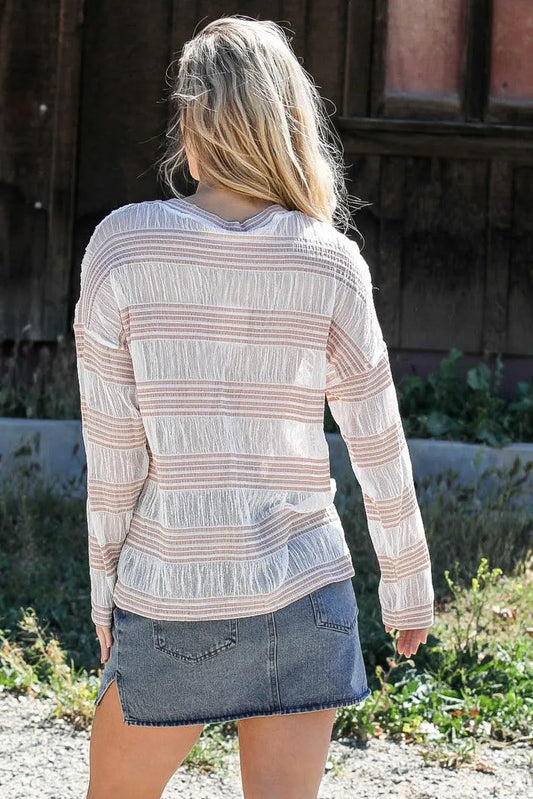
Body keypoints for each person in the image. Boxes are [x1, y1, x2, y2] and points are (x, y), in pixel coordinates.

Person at [73, 14, 434, 799]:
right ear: (287, 122)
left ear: (192, 125)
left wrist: (106, 597)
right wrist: (407, 583)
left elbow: (114, 456)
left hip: (174, 591)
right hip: (308, 597)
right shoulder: (329, 261)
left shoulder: (124, 248)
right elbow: (377, 440)